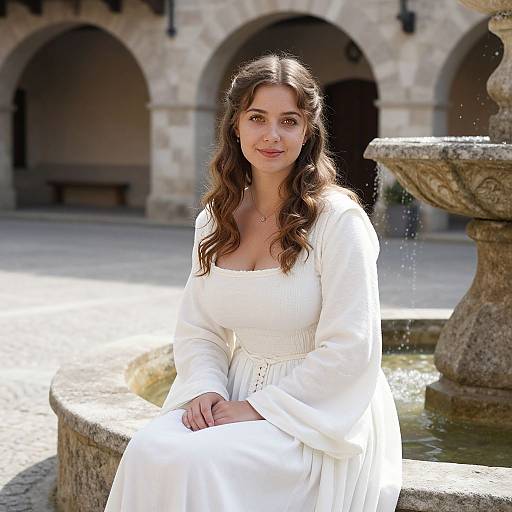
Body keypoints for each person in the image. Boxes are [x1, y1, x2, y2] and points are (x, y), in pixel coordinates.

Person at [104, 53, 402, 512]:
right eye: (258, 117)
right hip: (232, 392)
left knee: (199, 462)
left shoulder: (338, 220)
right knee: (149, 449)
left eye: (289, 120)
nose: (272, 135)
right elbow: (199, 328)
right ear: (236, 126)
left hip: (319, 412)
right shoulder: (214, 220)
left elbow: (352, 347)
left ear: (307, 132)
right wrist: (205, 388)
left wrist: (260, 409)